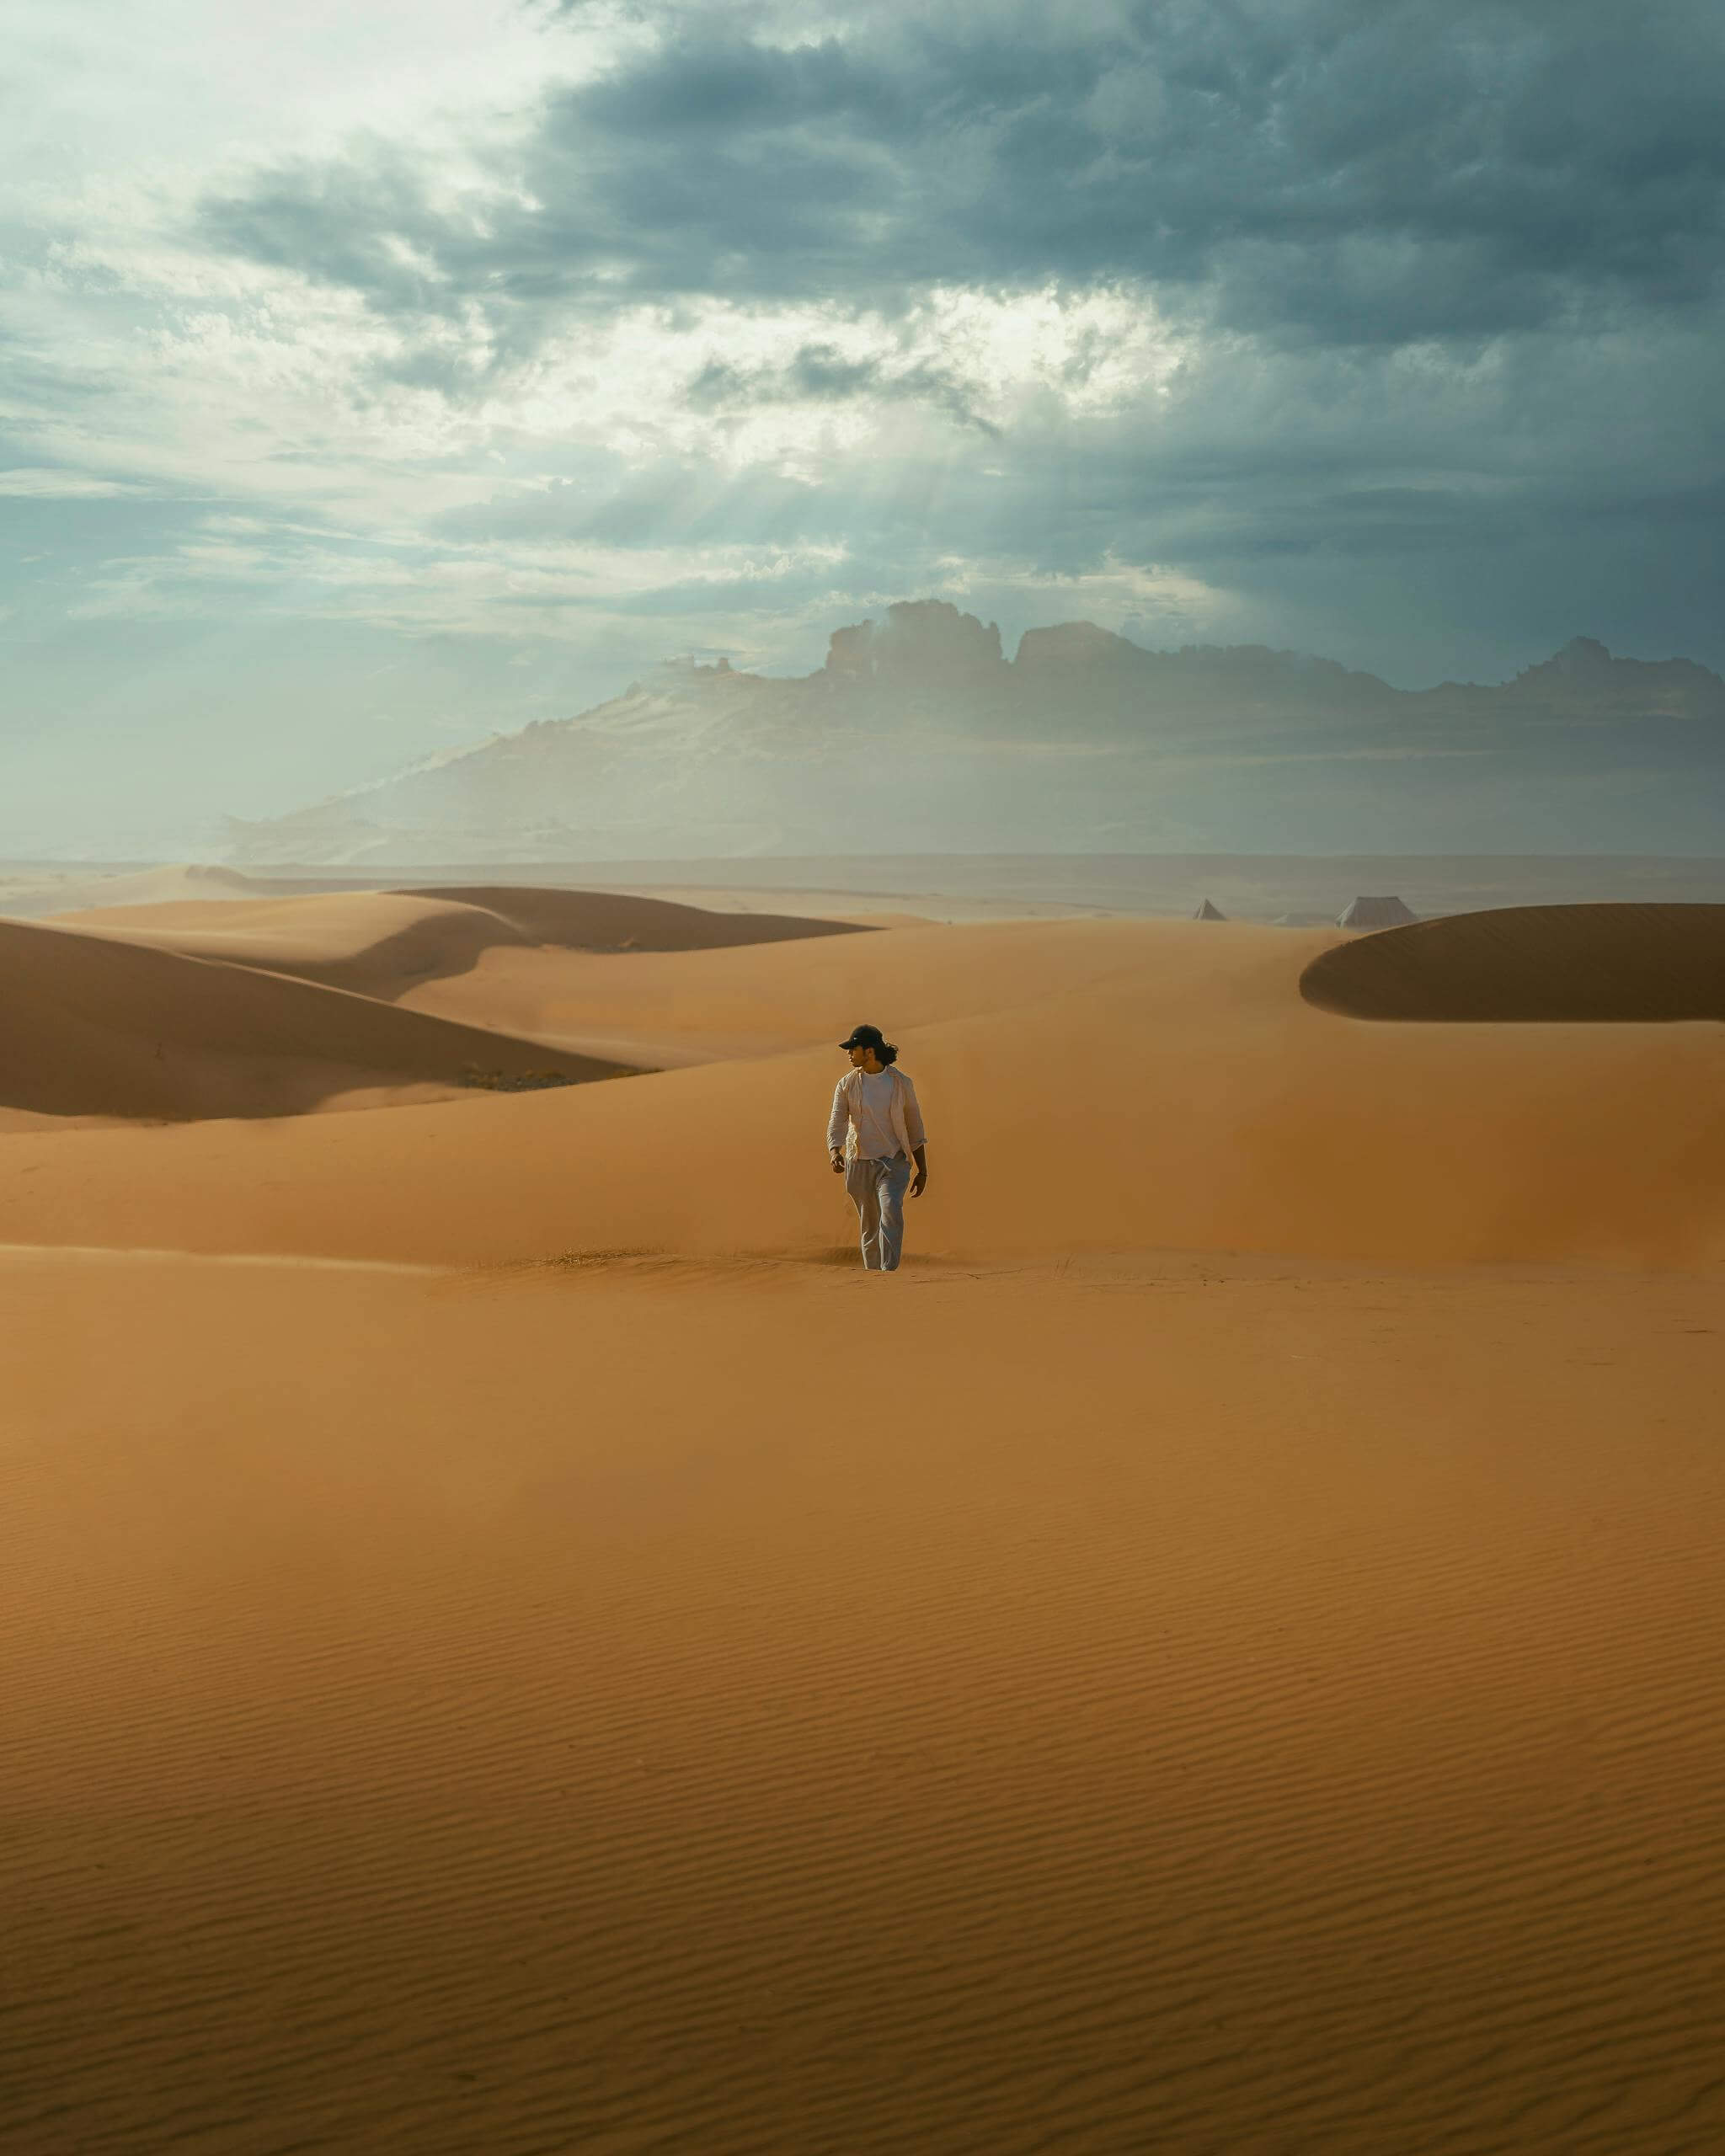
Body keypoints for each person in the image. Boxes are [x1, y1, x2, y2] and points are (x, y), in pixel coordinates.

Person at [826, 1024, 928, 1273]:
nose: (849, 1053)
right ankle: (873, 1278)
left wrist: (922, 1170)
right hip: (859, 1162)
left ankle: (888, 1273)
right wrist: (835, 1151)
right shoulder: (847, 1084)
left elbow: (914, 1125)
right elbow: (838, 1118)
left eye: (853, 1048)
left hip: (893, 1162)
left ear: (869, 1051)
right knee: (869, 1224)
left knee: (891, 1209)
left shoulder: (901, 1083)